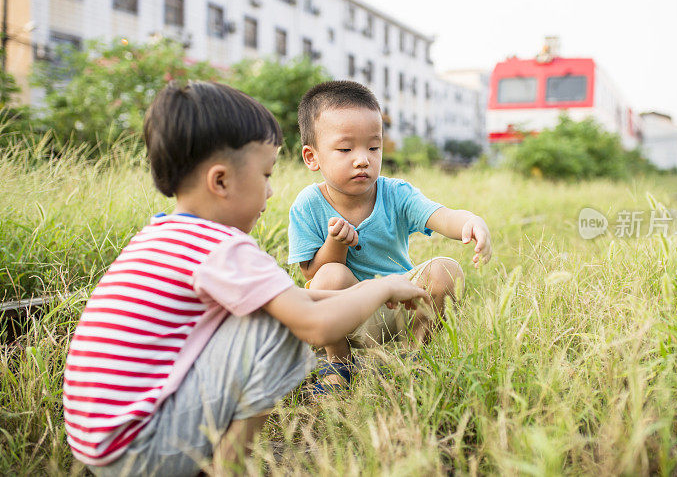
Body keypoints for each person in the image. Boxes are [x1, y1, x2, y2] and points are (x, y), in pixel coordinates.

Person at [62, 81, 429, 476]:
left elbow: (297, 300)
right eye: (266, 175)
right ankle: (226, 469)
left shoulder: (158, 235)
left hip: (97, 443)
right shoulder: (223, 248)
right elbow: (314, 325)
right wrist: (381, 286)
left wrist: (370, 292)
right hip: (143, 450)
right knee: (279, 331)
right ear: (220, 181)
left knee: (274, 312)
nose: (271, 192)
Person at [288, 80, 492, 392]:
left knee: (445, 269)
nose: (363, 159)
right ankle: (338, 364)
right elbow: (312, 276)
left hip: (399, 306)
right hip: (344, 315)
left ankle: (413, 359)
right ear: (312, 157)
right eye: (345, 149)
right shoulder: (307, 205)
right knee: (329, 274)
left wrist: (470, 221)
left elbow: (443, 216)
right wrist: (337, 243)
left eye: (373, 147)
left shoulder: (395, 193)